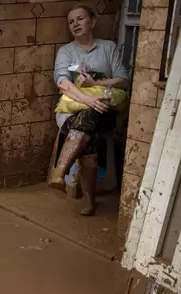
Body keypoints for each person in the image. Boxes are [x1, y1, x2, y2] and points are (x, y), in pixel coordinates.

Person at [50, 4, 129, 216]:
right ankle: (89, 200)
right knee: (88, 122)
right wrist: (87, 99)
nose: (75, 24)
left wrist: (97, 84)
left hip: (104, 110)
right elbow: (62, 83)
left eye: (80, 19)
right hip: (71, 111)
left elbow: (123, 79)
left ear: (92, 22)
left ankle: (60, 171)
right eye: (71, 21)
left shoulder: (108, 47)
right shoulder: (66, 51)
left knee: (91, 116)